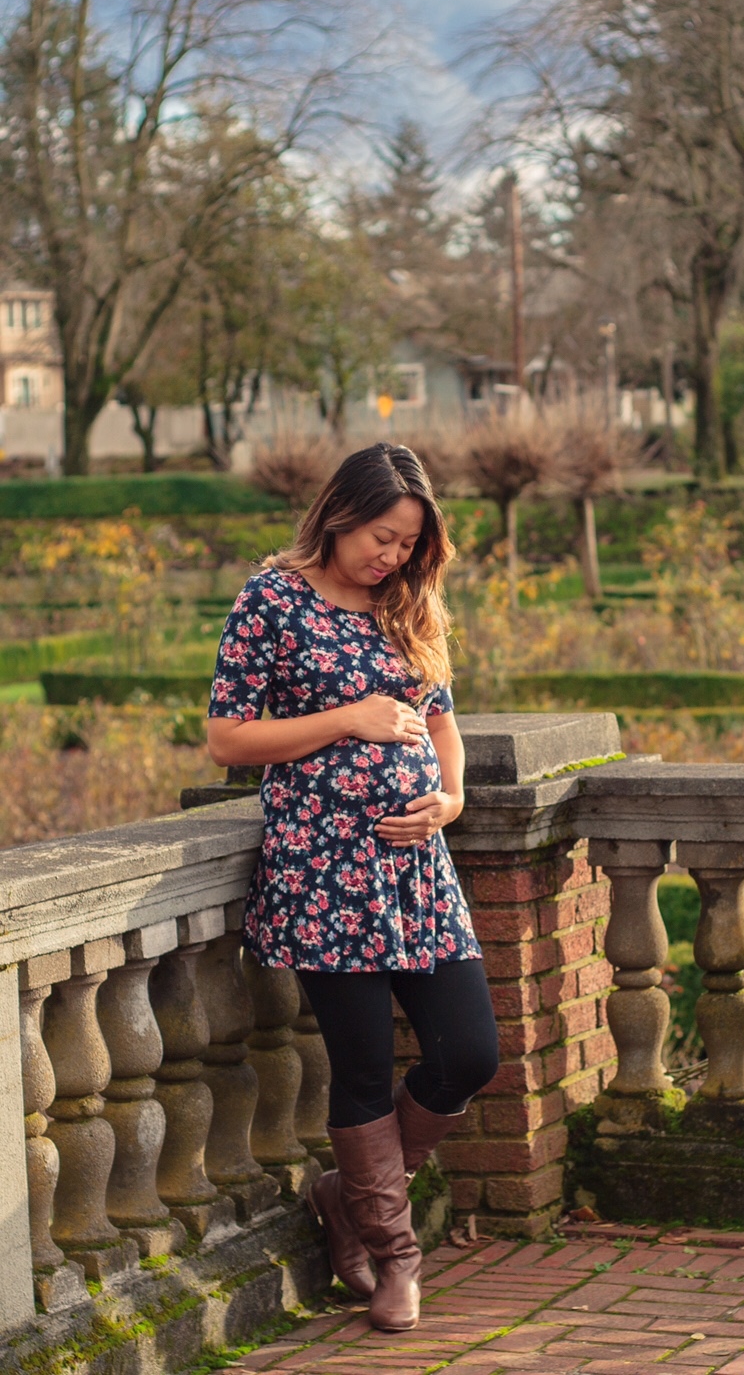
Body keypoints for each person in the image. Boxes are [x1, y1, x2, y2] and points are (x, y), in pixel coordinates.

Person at [206, 442, 499, 1333]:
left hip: (416, 872)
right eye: (382, 536)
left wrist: (449, 797)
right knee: (366, 1066)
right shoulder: (272, 601)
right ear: (339, 514)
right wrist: (350, 719)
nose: (392, 557)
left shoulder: (407, 604)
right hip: (322, 870)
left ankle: (346, 1198)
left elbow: (442, 719)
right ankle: (393, 1254)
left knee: (469, 1052)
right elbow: (227, 738)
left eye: (408, 543)